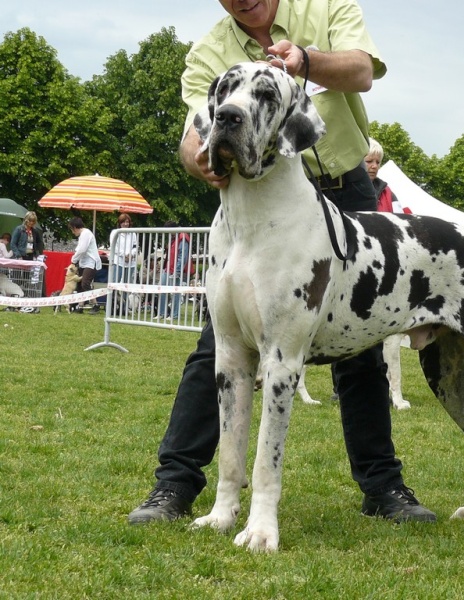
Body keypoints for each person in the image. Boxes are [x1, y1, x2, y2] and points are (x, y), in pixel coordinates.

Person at [128, 0, 435, 525]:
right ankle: (175, 484)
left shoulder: (328, 7)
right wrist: (200, 160)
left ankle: (383, 488)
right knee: (218, 348)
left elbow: (362, 70)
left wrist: (306, 63)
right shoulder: (209, 51)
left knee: (361, 349)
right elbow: (193, 131)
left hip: (341, 188)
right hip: (258, 195)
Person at [156, 221, 193, 322]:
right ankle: (161, 313)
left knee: (175, 293)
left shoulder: (183, 237)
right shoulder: (174, 237)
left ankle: (174, 314)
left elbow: (183, 256)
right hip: (168, 268)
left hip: (176, 269)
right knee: (162, 290)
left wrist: (177, 270)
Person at [365, 138, 409, 214]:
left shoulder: (387, 193)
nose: (375, 166)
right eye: (369, 161)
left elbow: (400, 219)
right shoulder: (342, 190)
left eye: (378, 162)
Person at [69, 217, 102, 315]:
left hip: (91, 263)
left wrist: (73, 260)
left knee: (85, 284)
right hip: (84, 263)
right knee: (80, 286)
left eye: (72, 229)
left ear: (75, 227)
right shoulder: (83, 235)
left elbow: (82, 250)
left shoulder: (86, 234)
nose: (72, 232)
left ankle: (95, 305)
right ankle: (80, 306)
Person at [110, 213, 138, 315]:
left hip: (131, 262)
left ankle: (125, 308)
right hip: (118, 261)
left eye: (127, 222)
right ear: (119, 223)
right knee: (115, 283)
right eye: (123, 222)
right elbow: (115, 247)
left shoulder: (133, 233)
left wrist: (131, 255)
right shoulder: (115, 233)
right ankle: (112, 306)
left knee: (127, 285)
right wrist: (124, 256)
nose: (125, 224)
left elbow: (135, 247)